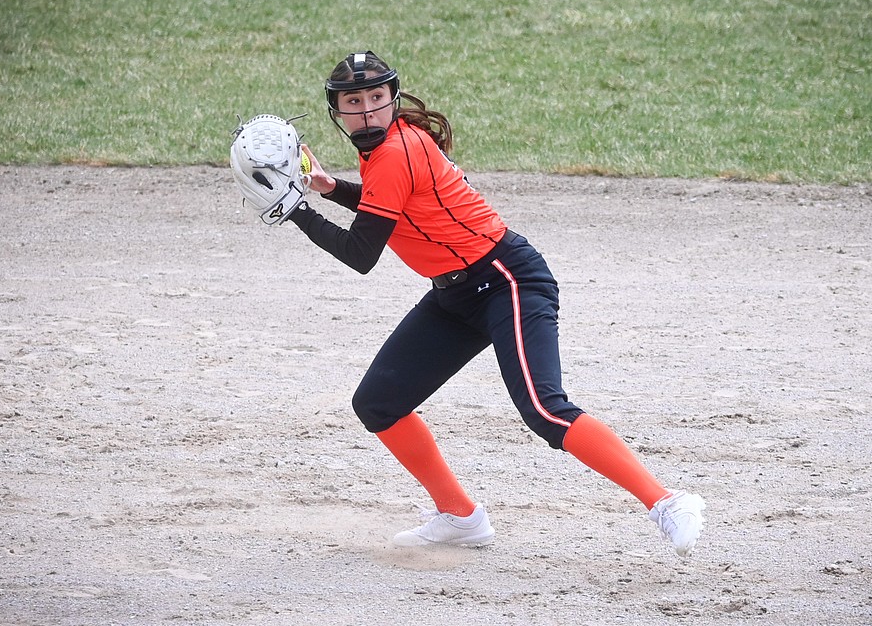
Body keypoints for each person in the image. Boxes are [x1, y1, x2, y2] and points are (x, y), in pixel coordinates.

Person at [285, 51, 706, 556]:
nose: (369, 110)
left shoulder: (397, 149)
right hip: (457, 292)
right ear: (338, 110)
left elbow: (361, 254)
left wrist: (296, 211)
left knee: (545, 411)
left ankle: (668, 502)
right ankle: (460, 517)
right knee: (378, 404)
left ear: (392, 99)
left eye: (377, 98)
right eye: (355, 101)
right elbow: (391, 206)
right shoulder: (386, 151)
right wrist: (331, 189)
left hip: (507, 281)